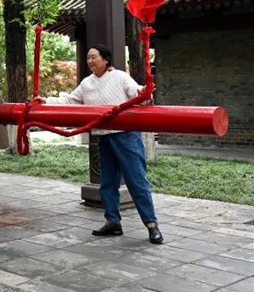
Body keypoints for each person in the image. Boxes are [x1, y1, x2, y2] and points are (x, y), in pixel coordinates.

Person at [35, 44, 164, 244]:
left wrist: (145, 92)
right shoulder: (87, 83)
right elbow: (70, 100)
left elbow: (136, 93)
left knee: (137, 181)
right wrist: (46, 101)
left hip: (126, 136)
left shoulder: (120, 77)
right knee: (108, 183)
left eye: (93, 57)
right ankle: (113, 222)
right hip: (104, 137)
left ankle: (151, 225)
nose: (90, 61)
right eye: (88, 57)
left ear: (106, 59)